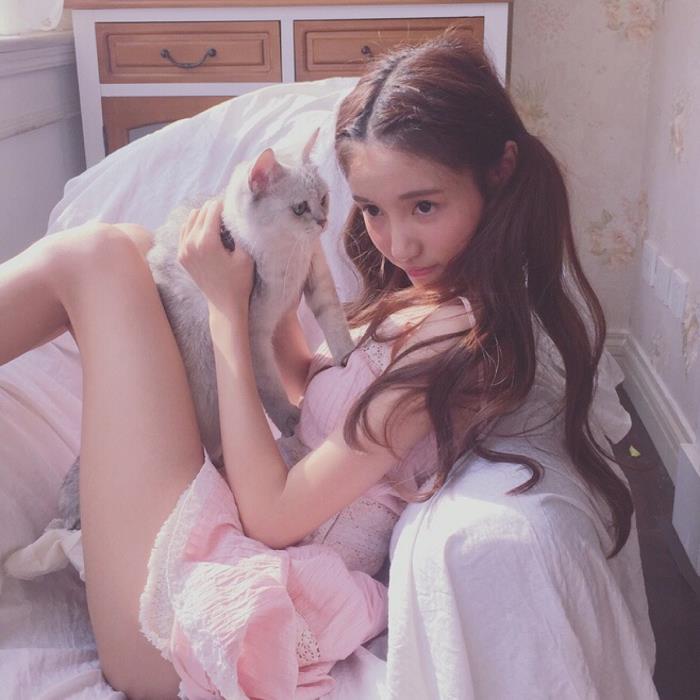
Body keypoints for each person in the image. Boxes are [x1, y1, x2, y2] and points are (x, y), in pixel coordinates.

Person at [0, 33, 656, 699]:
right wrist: (267, 282)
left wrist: (226, 313)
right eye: (371, 210)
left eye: (424, 206)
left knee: (96, 260)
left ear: (499, 172)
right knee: (141, 249)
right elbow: (311, 390)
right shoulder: (430, 299)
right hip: (217, 568)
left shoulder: (458, 338)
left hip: (199, 629)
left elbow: (274, 513)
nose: (397, 243)